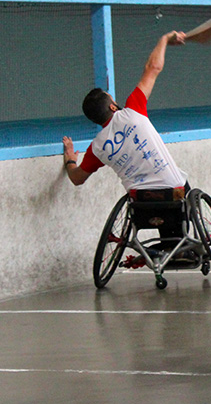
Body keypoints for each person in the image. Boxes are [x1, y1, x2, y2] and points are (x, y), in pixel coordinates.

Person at [62, 30, 191, 262]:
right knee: (179, 198)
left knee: (156, 207)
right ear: (113, 107)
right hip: (174, 190)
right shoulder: (132, 111)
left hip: (140, 202)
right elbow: (153, 68)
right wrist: (163, 39)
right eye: (112, 99)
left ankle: (167, 250)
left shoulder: (98, 147)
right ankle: (177, 249)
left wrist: (70, 160)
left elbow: (77, 178)